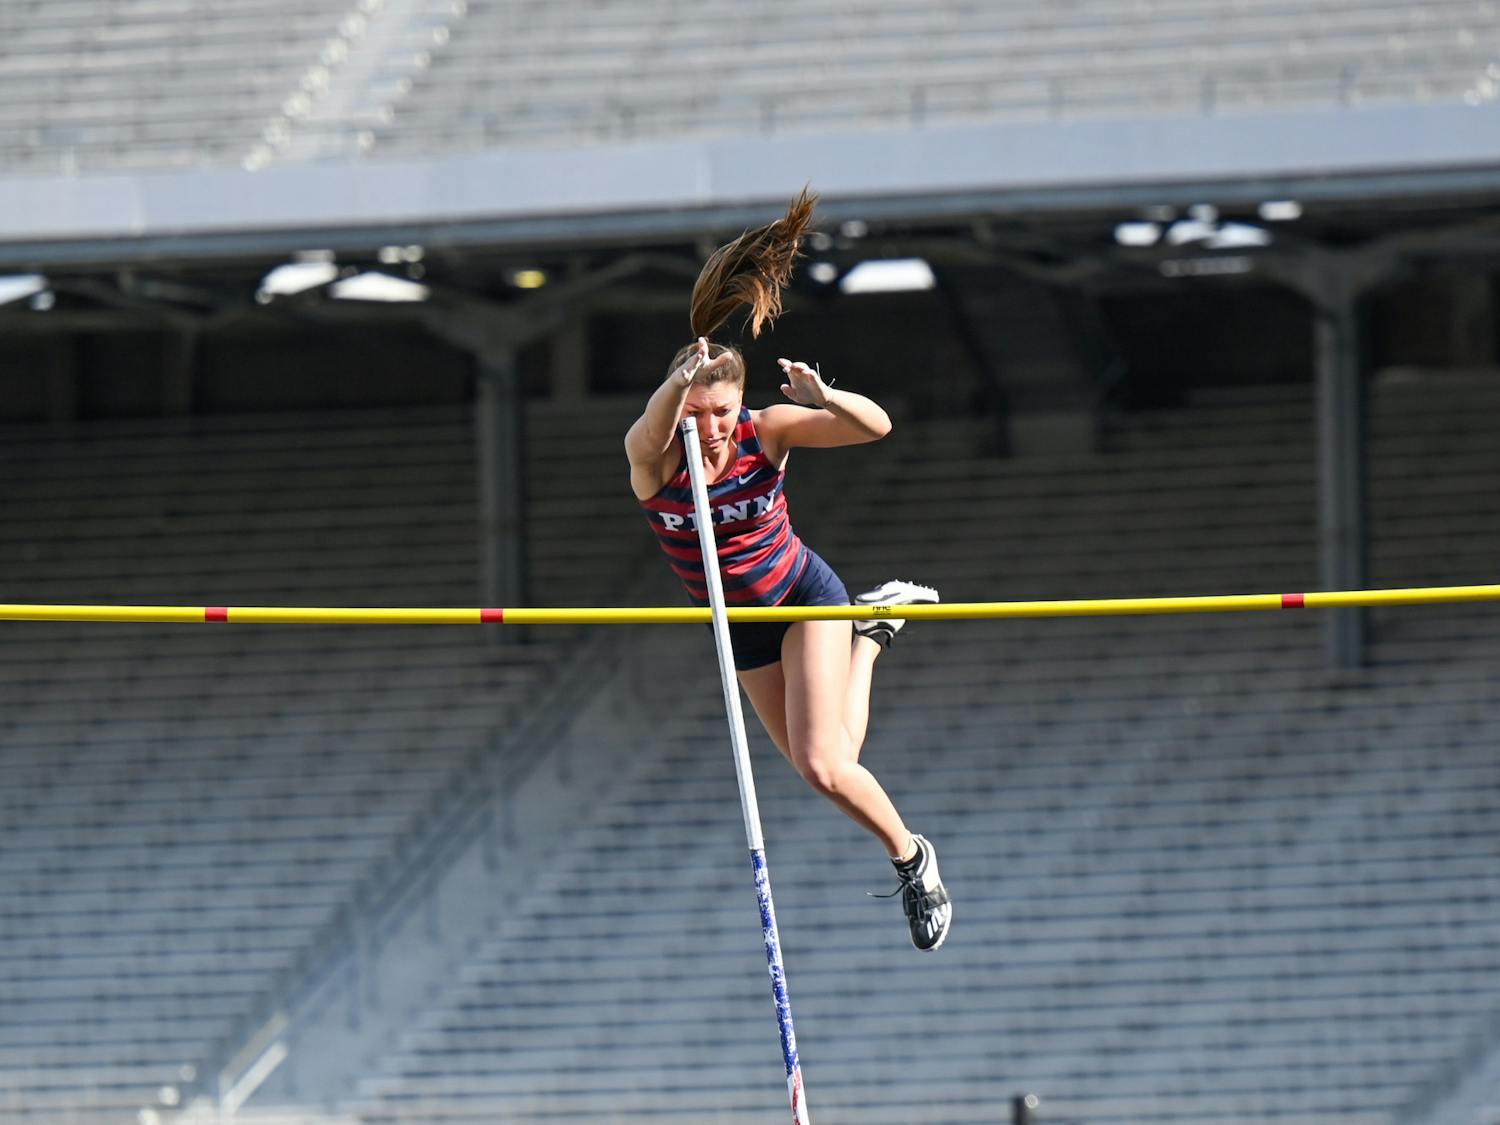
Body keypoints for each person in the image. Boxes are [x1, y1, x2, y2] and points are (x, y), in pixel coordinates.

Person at [624, 188, 952, 952]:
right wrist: (677, 386)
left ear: (740, 404)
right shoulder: (656, 461)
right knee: (830, 759)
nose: (712, 428)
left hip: (803, 595)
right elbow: (645, 429)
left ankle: (914, 860)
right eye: (696, 413)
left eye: (722, 412)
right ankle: (872, 637)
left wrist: (825, 396)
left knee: (823, 764)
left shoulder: (764, 432)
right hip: (743, 629)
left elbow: (877, 426)